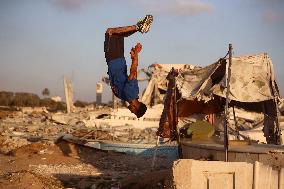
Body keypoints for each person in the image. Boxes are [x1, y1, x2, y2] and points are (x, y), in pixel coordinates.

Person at [104, 15, 153, 118]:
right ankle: (139, 27)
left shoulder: (132, 94)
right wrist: (135, 56)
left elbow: (133, 74)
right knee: (110, 32)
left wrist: (134, 57)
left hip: (119, 61)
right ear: (136, 107)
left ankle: (140, 28)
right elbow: (133, 73)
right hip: (114, 61)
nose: (131, 112)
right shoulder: (130, 95)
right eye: (133, 112)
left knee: (118, 35)